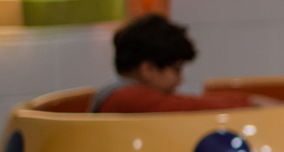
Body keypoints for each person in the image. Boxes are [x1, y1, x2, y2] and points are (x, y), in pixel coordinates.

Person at [91, 14, 270, 113]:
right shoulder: (126, 98)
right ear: (148, 69)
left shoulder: (117, 94)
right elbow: (190, 107)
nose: (179, 80)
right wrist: (252, 103)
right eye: (176, 70)